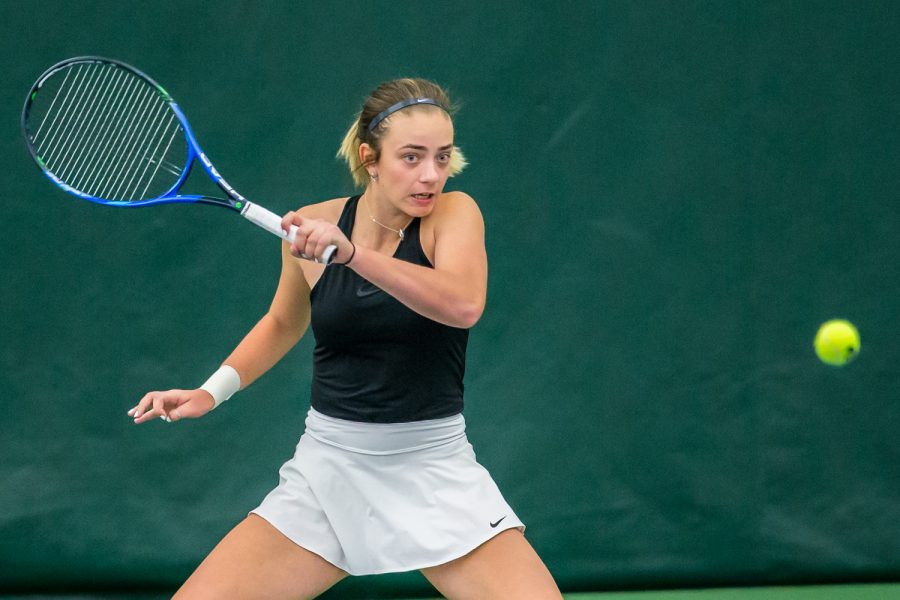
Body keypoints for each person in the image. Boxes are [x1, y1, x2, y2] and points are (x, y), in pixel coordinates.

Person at [128, 78, 562, 599]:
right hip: (329, 470)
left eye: (443, 157)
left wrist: (353, 255)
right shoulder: (317, 224)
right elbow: (283, 322)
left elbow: (462, 304)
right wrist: (210, 391)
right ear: (369, 157)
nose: (430, 175)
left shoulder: (455, 213)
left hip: (434, 470)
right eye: (411, 157)